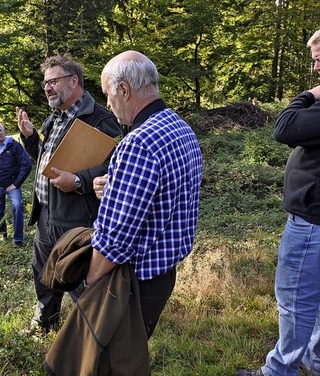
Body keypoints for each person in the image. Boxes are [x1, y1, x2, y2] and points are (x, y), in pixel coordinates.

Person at [237, 21, 320, 376]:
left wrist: (309, 95)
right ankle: (315, 361)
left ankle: (280, 370)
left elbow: (286, 129)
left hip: (318, 220)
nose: (317, 68)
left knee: (296, 299)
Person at [85, 50, 203, 343]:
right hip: (162, 275)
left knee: (113, 361)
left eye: (107, 95)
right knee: (132, 351)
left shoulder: (138, 143)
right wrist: (114, 187)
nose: (108, 104)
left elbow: (115, 238)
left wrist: (89, 284)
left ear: (123, 90)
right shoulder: (180, 128)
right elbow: (165, 193)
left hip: (131, 283)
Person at [16, 53, 122, 333]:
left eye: (54, 81)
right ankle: (45, 323)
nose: (48, 87)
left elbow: (114, 165)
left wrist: (78, 180)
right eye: (45, 83)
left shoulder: (100, 119)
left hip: (77, 216)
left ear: (74, 81)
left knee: (77, 276)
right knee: (43, 273)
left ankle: (91, 335)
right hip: (46, 214)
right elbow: (47, 163)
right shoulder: (53, 120)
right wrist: (30, 138)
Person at [0, 121, 32, 247]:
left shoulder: (15, 146)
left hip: (12, 186)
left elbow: (27, 165)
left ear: (4, 130)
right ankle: (2, 234)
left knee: (17, 208)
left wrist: (16, 184)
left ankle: (18, 240)